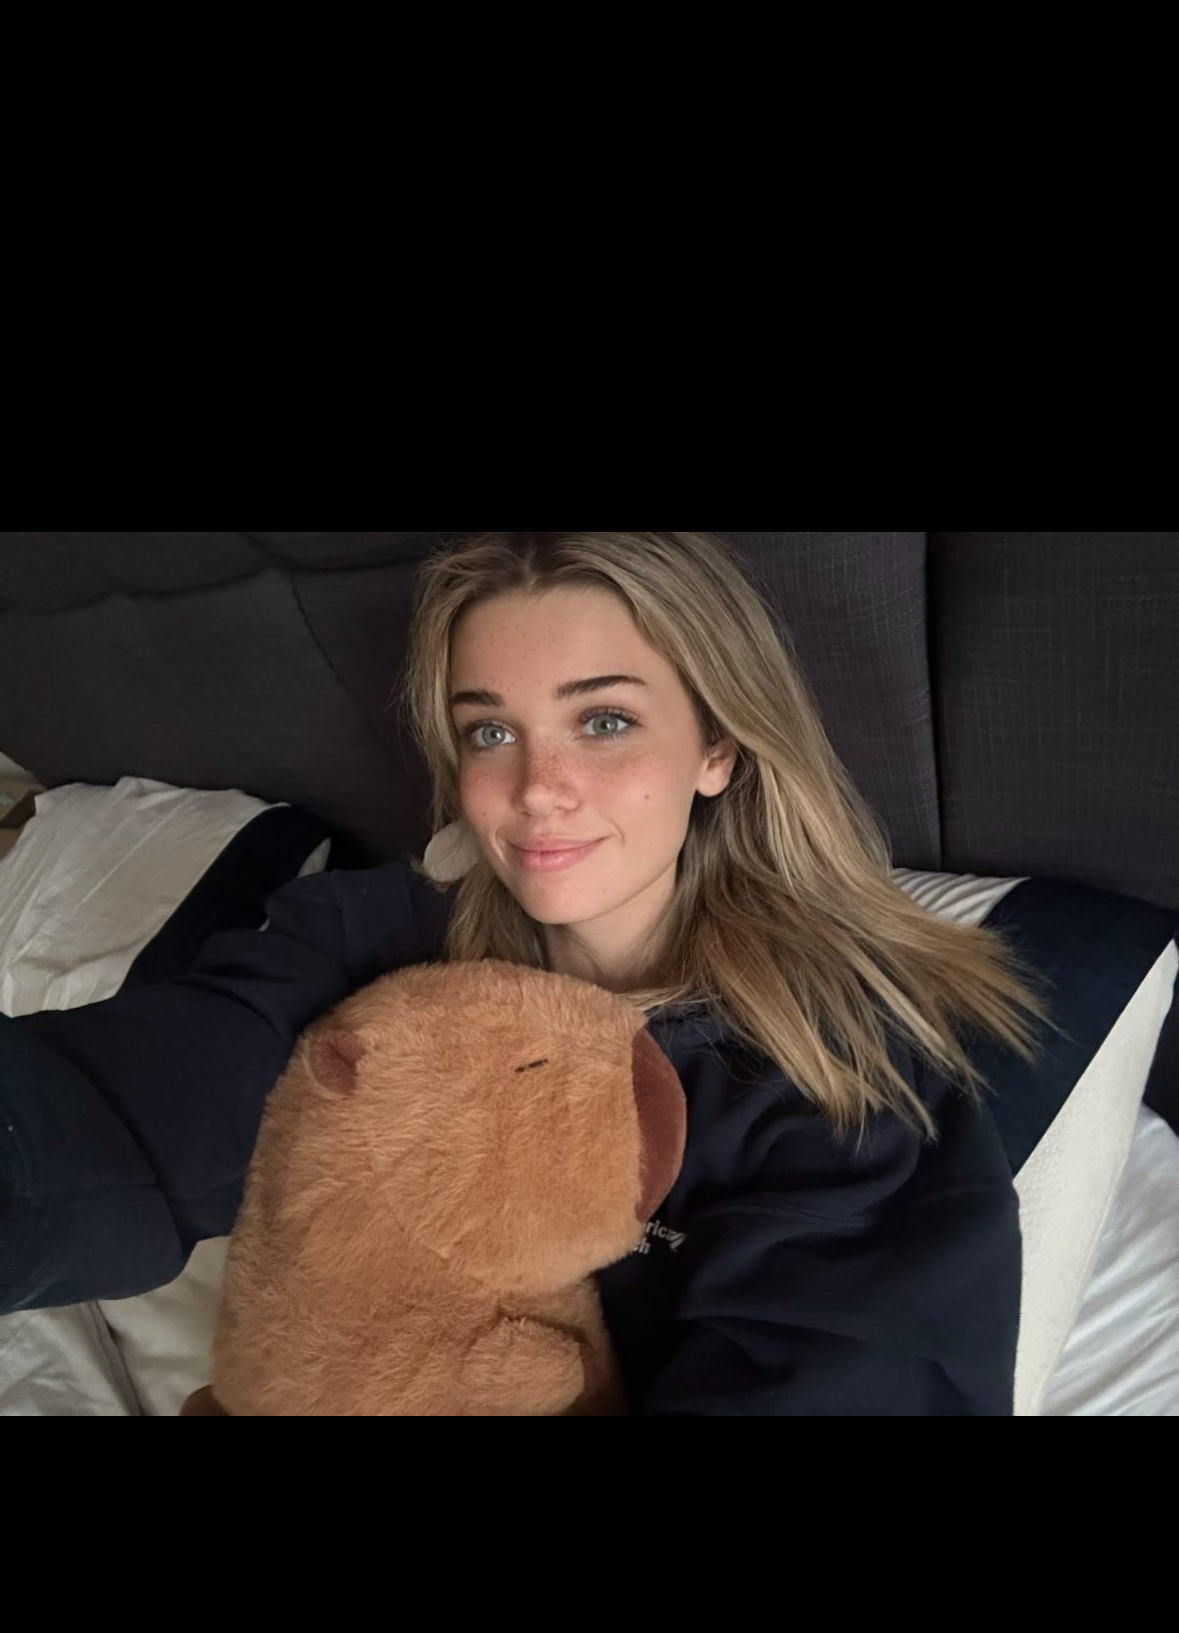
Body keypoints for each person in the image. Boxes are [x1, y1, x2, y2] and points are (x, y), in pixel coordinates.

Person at [0, 531, 1066, 1413]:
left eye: (604, 721)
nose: (537, 787)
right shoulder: (370, 949)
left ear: (717, 750)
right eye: (490, 731)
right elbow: (122, 1115)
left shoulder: (843, 1078)